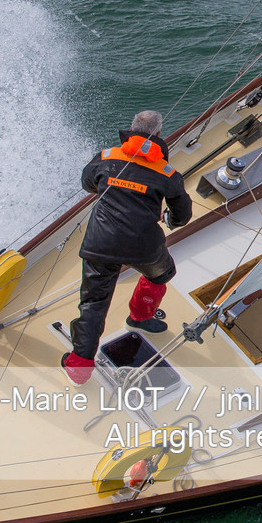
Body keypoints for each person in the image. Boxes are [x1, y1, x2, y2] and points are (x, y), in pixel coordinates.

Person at [63, 110, 193, 384]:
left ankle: (79, 365)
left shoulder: (107, 157)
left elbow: (88, 182)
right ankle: (140, 316)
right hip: (143, 247)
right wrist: (170, 217)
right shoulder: (168, 173)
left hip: (101, 244)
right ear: (158, 135)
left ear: (131, 130)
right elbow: (182, 216)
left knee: (94, 303)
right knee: (162, 274)